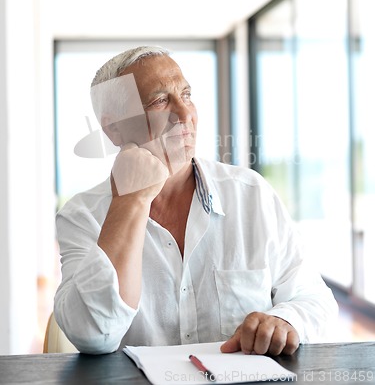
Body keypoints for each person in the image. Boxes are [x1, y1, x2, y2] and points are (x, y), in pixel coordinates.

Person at [54, 45, 337, 356]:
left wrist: (284, 320)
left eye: (186, 95)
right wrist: (129, 202)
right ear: (114, 129)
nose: (185, 113)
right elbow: (93, 334)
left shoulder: (251, 194)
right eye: (160, 101)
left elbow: (316, 300)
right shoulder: (81, 216)